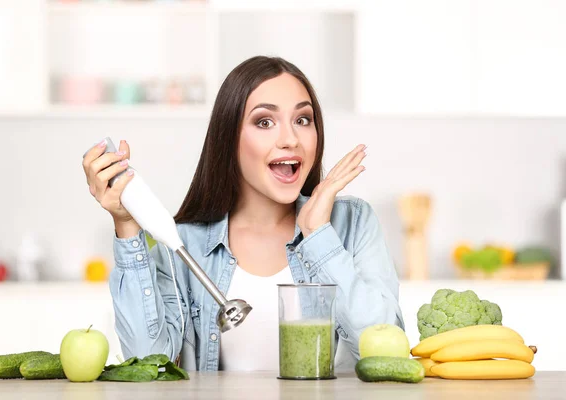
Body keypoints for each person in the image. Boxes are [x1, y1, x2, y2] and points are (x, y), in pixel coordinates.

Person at [82, 56, 404, 372]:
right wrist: (126, 224)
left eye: (303, 120)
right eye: (265, 122)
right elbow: (149, 363)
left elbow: (388, 356)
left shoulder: (352, 223)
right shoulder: (183, 245)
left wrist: (318, 235)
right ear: (229, 136)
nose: (291, 139)